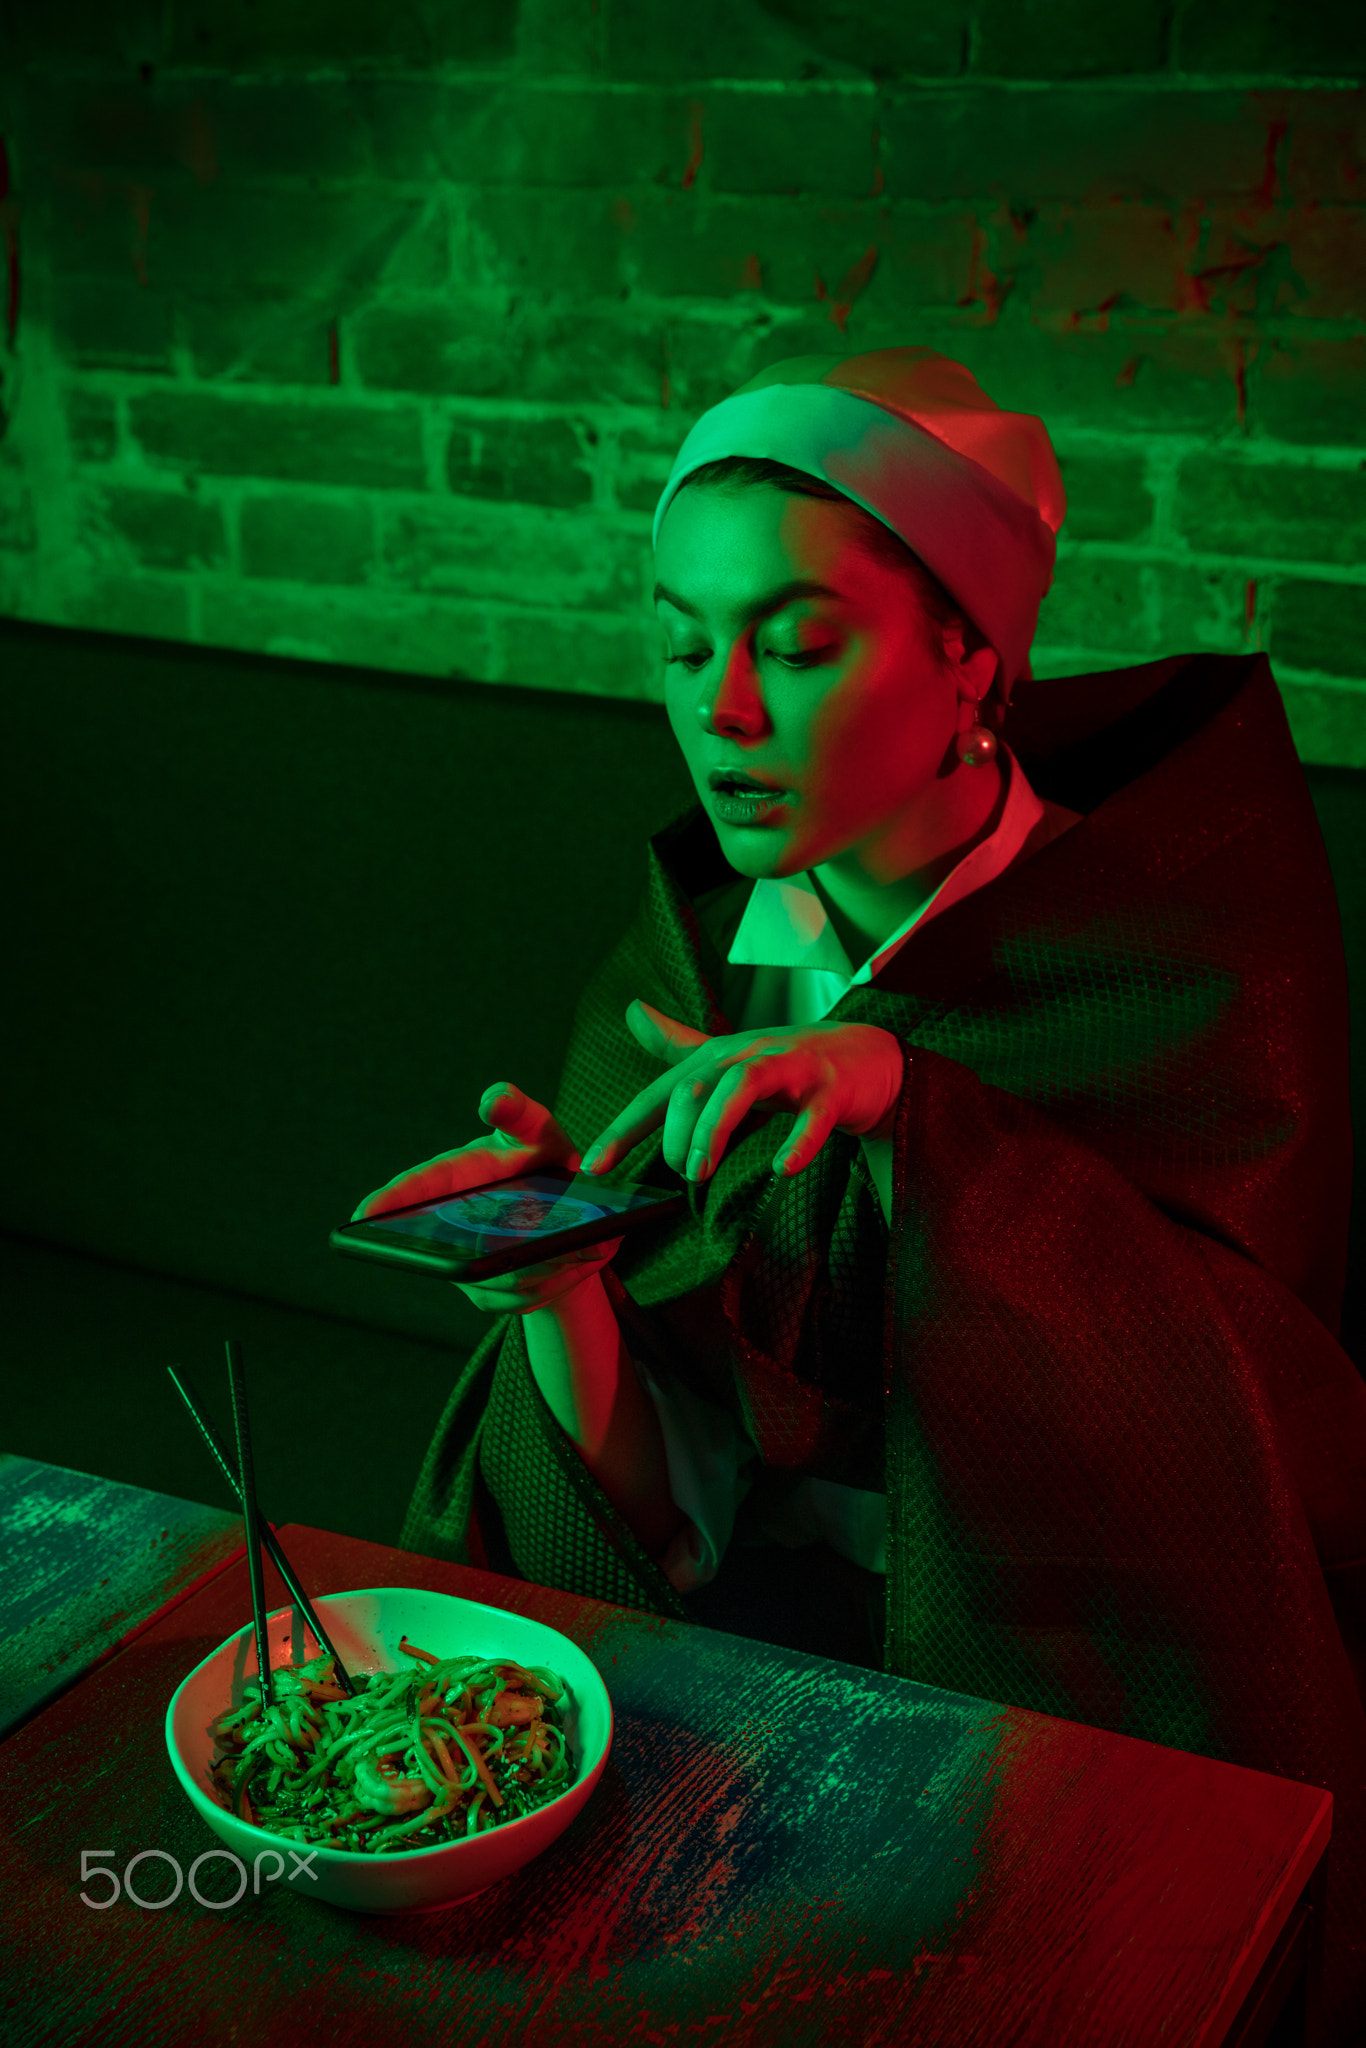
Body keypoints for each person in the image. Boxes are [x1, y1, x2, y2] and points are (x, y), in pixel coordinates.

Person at [356, 348, 1366, 2039]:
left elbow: (1246, 1441)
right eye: (680, 642)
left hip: (1052, 1685)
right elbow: (665, 1493)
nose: (719, 710)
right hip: (737, 1674)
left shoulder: (1176, 964)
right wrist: (570, 1295)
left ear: (970, 656)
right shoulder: (698, 956)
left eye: (796, 642)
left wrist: (925, 1114)